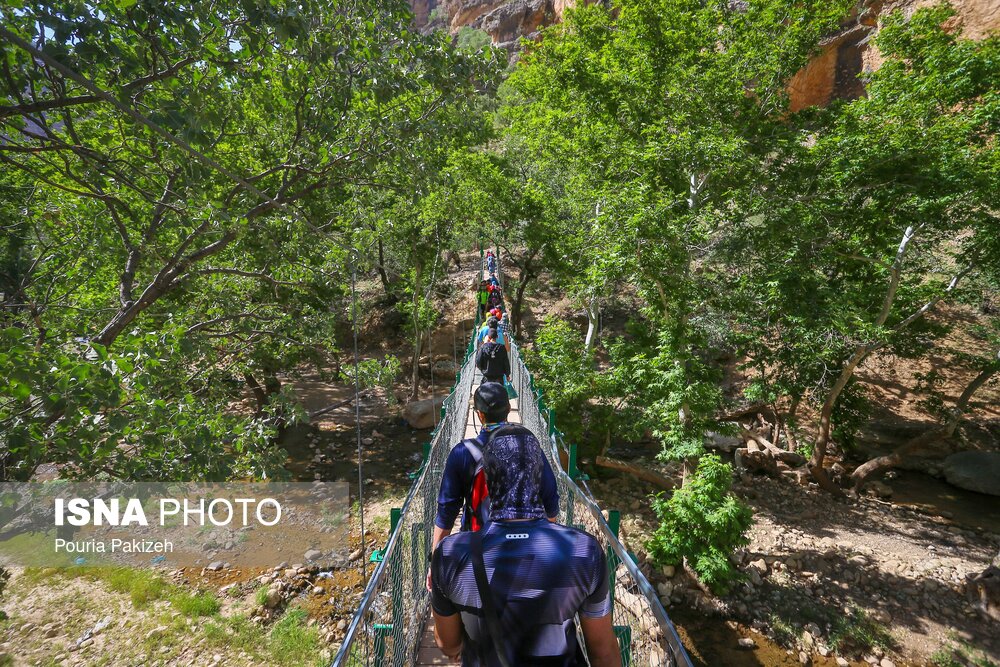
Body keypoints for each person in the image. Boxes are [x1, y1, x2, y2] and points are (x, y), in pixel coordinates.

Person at [431, 423, 621, 667]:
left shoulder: (450, 555)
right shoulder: (583, 552)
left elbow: (448, 645)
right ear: (539, 477)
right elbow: (603, 652)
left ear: (488, 481)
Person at [428, 383, 560, 589]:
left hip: (479, 548)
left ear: (479, 415)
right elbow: (550, 500)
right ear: (509, 409)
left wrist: (435, 561)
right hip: (529, 549)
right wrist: (544, 539)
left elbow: (446, 512)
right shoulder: (529, 445)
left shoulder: (463, 453)